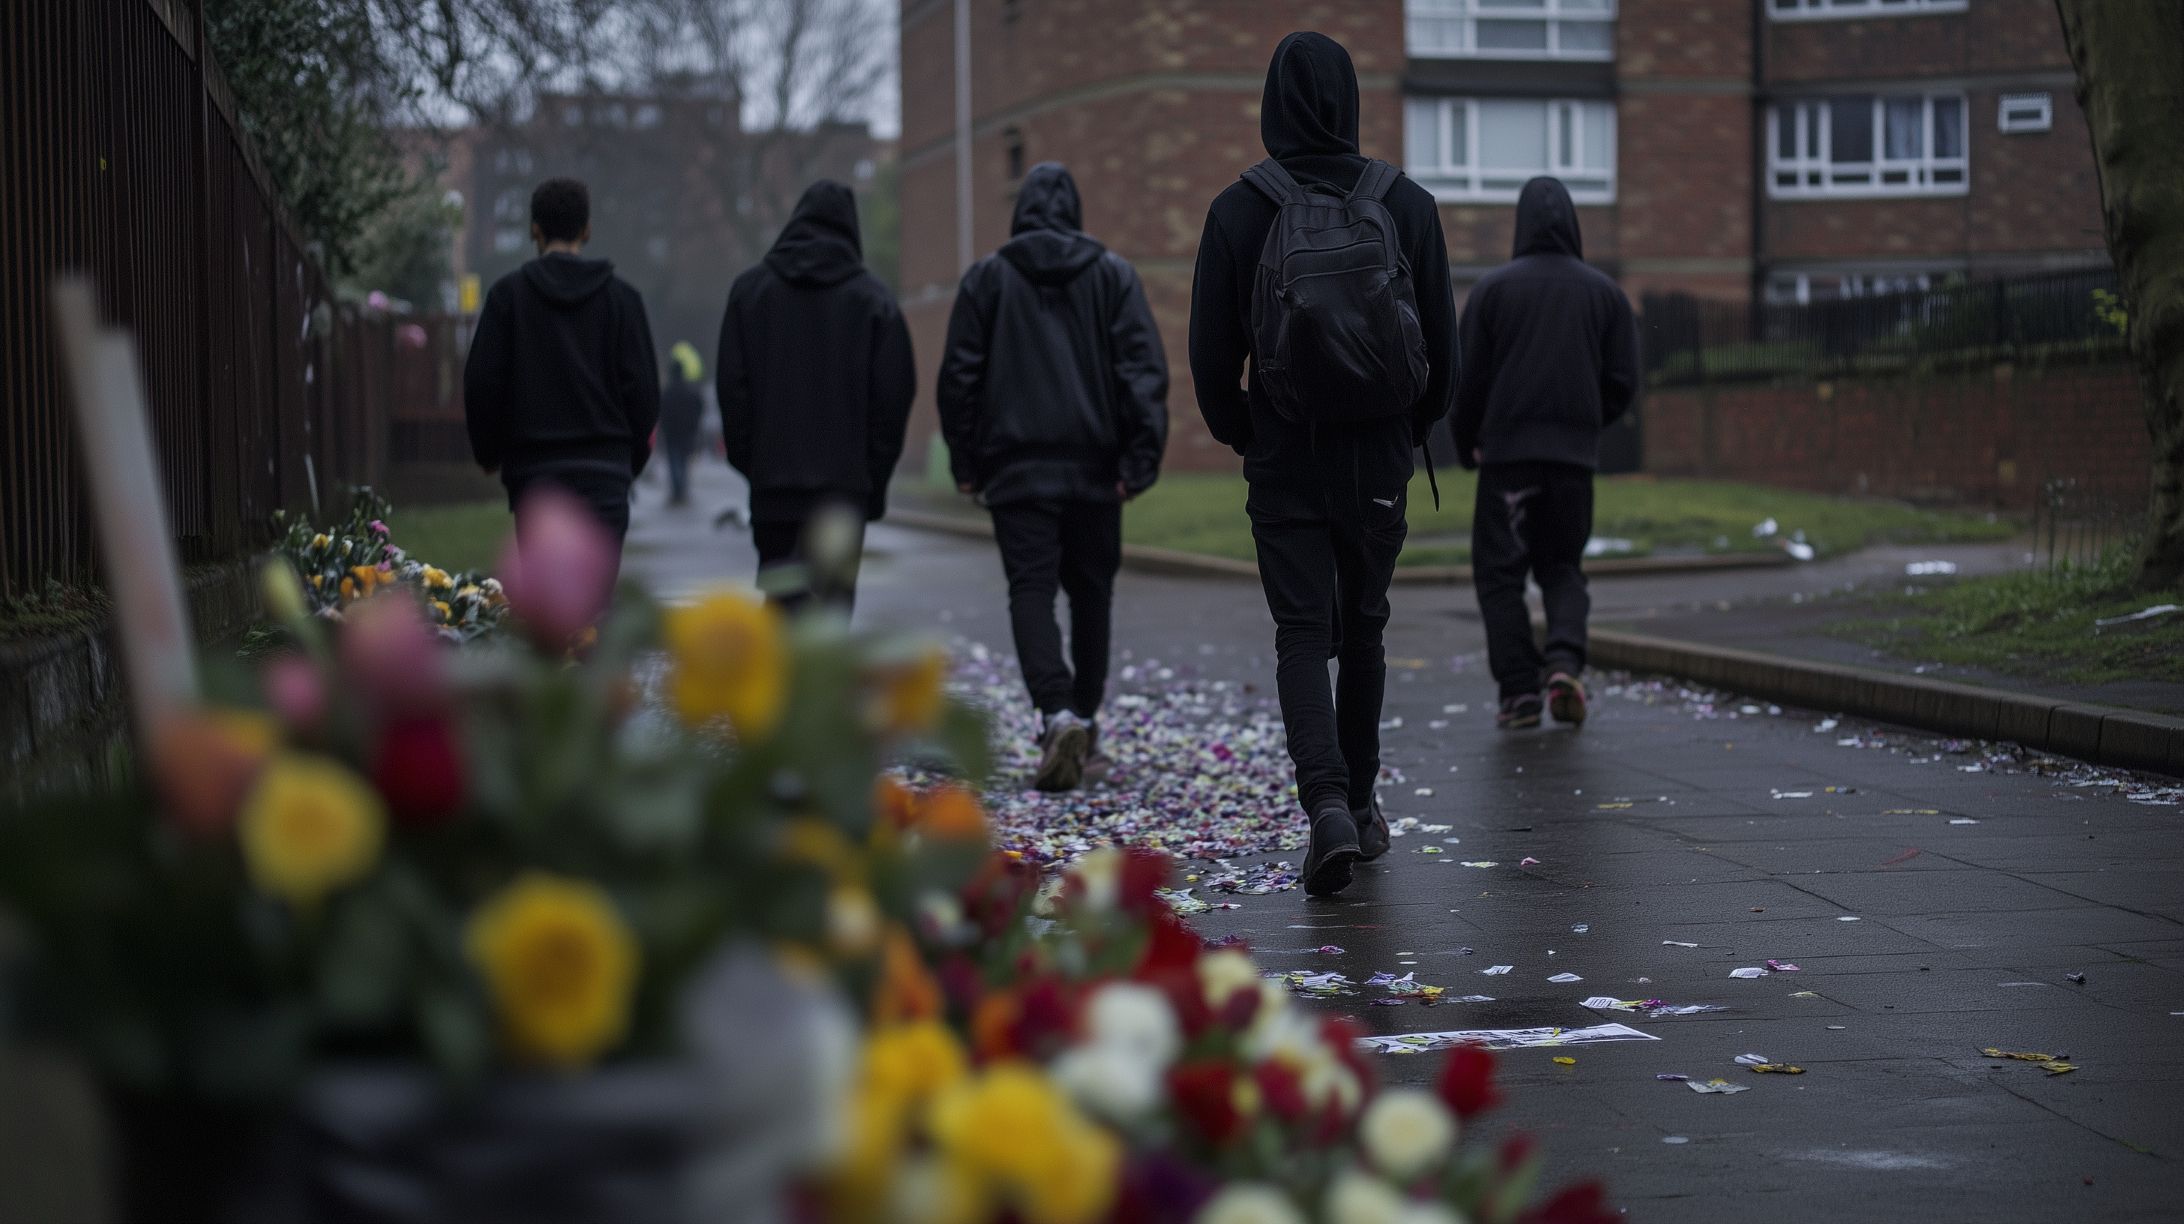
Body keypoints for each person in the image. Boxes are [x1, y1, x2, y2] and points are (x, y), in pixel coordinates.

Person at [1189, 31, 1460, 896]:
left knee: (1303, 633)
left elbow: (1208, 359)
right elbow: (1445, 355)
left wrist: (1246, 431)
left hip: (1284, 452)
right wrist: (1405, 426)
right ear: (1350, 100)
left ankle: (1327, 808)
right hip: (1377, 453)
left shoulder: (1238, 211)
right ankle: (1365, 802)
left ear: (1272, 104)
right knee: (1366, 629)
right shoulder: (1406, 204)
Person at [938, 162, 1169, 793]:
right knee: (1092, 594)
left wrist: (966, 463)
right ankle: (1085, 722)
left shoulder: (987, 279)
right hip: (1096, 467)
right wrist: (1138, 462)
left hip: (1016, 469)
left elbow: (960, 375)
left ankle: (1056, 711)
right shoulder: (1113, 275)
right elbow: (1142, 370)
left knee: (1031, 590)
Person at [1451, 176, 1638, 732]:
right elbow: (1622, 382)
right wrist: (1584, 424)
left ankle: (1518, 693)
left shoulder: (1492, 291)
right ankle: (1563, 663)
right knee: (1562, 568)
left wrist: (1468, 444)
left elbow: (1467, 381)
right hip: (1572, 461)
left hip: (1508, 460)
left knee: (1500, 575)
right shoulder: (1605, 294)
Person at [716, 180, 915, 613]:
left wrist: (754, 464)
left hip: (774, 489)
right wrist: (872, 480)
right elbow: (892, 402)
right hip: (843, 492)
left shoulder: (750, 293)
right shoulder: (874, 302)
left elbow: (733, 392)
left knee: (780, 607)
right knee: (832, 613)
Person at [464, 177, 660, 546]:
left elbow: (483, 383)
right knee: (598, 584)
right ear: (586, 230)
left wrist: (489, 454)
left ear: (534, 230)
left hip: (535, 476)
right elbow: (644, 392)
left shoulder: (508, 297)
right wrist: (626, 462)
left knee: (546, 585)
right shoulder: (623, 300)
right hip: (605, 474)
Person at [658, 341, 707, 506]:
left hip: (671, 433)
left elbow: (661, 412)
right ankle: (682, 490)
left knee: (674, 462)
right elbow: (699, 408)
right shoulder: (690, 391)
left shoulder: (667, 392)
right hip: (687, 432)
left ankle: (677, 491)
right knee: (683, 462)